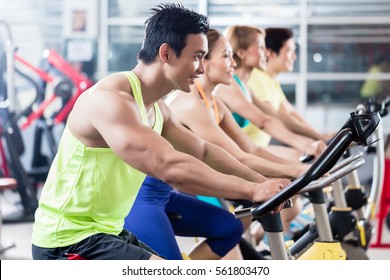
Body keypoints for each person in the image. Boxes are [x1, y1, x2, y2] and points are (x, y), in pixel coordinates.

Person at [31, 3, 289, 260]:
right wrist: (252, 191)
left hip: (107, 231)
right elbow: (171, 166)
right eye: (197, 57)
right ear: (166, 53)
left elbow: (203, 150)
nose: (201, 69)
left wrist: (262, 182)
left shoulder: (158, 109)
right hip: (68, 240)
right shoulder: (111, 100)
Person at [125, 29, 306, 260]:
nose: (233, 63)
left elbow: (247, 150)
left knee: (230, 228)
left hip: (168, 194)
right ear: (205, 62)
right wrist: (296, 172)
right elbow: (230, 154)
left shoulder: (215, 101)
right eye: (226, 56)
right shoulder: (189, 104)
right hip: (144, 199)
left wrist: (286, 176)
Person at [214, 25, 326, 163]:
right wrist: (305, 144)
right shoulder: (229, 85)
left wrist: (314, 138)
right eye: (260, 47)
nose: (266, 53)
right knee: (303, 162)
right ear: (242, 53)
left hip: (243, 151)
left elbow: (272, 115)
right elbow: (264, 122)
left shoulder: (245, 87)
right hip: (229, 157)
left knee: (306, 160)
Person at [248, 27, 335, 144]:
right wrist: (319, 137)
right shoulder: (256, 78)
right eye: (289, 51)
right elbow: (281, 117)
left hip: (259, 148)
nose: (294, 57)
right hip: (249, 151)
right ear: (271, 53)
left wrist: (320, 135)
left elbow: (291, 112)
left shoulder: (271, 82)